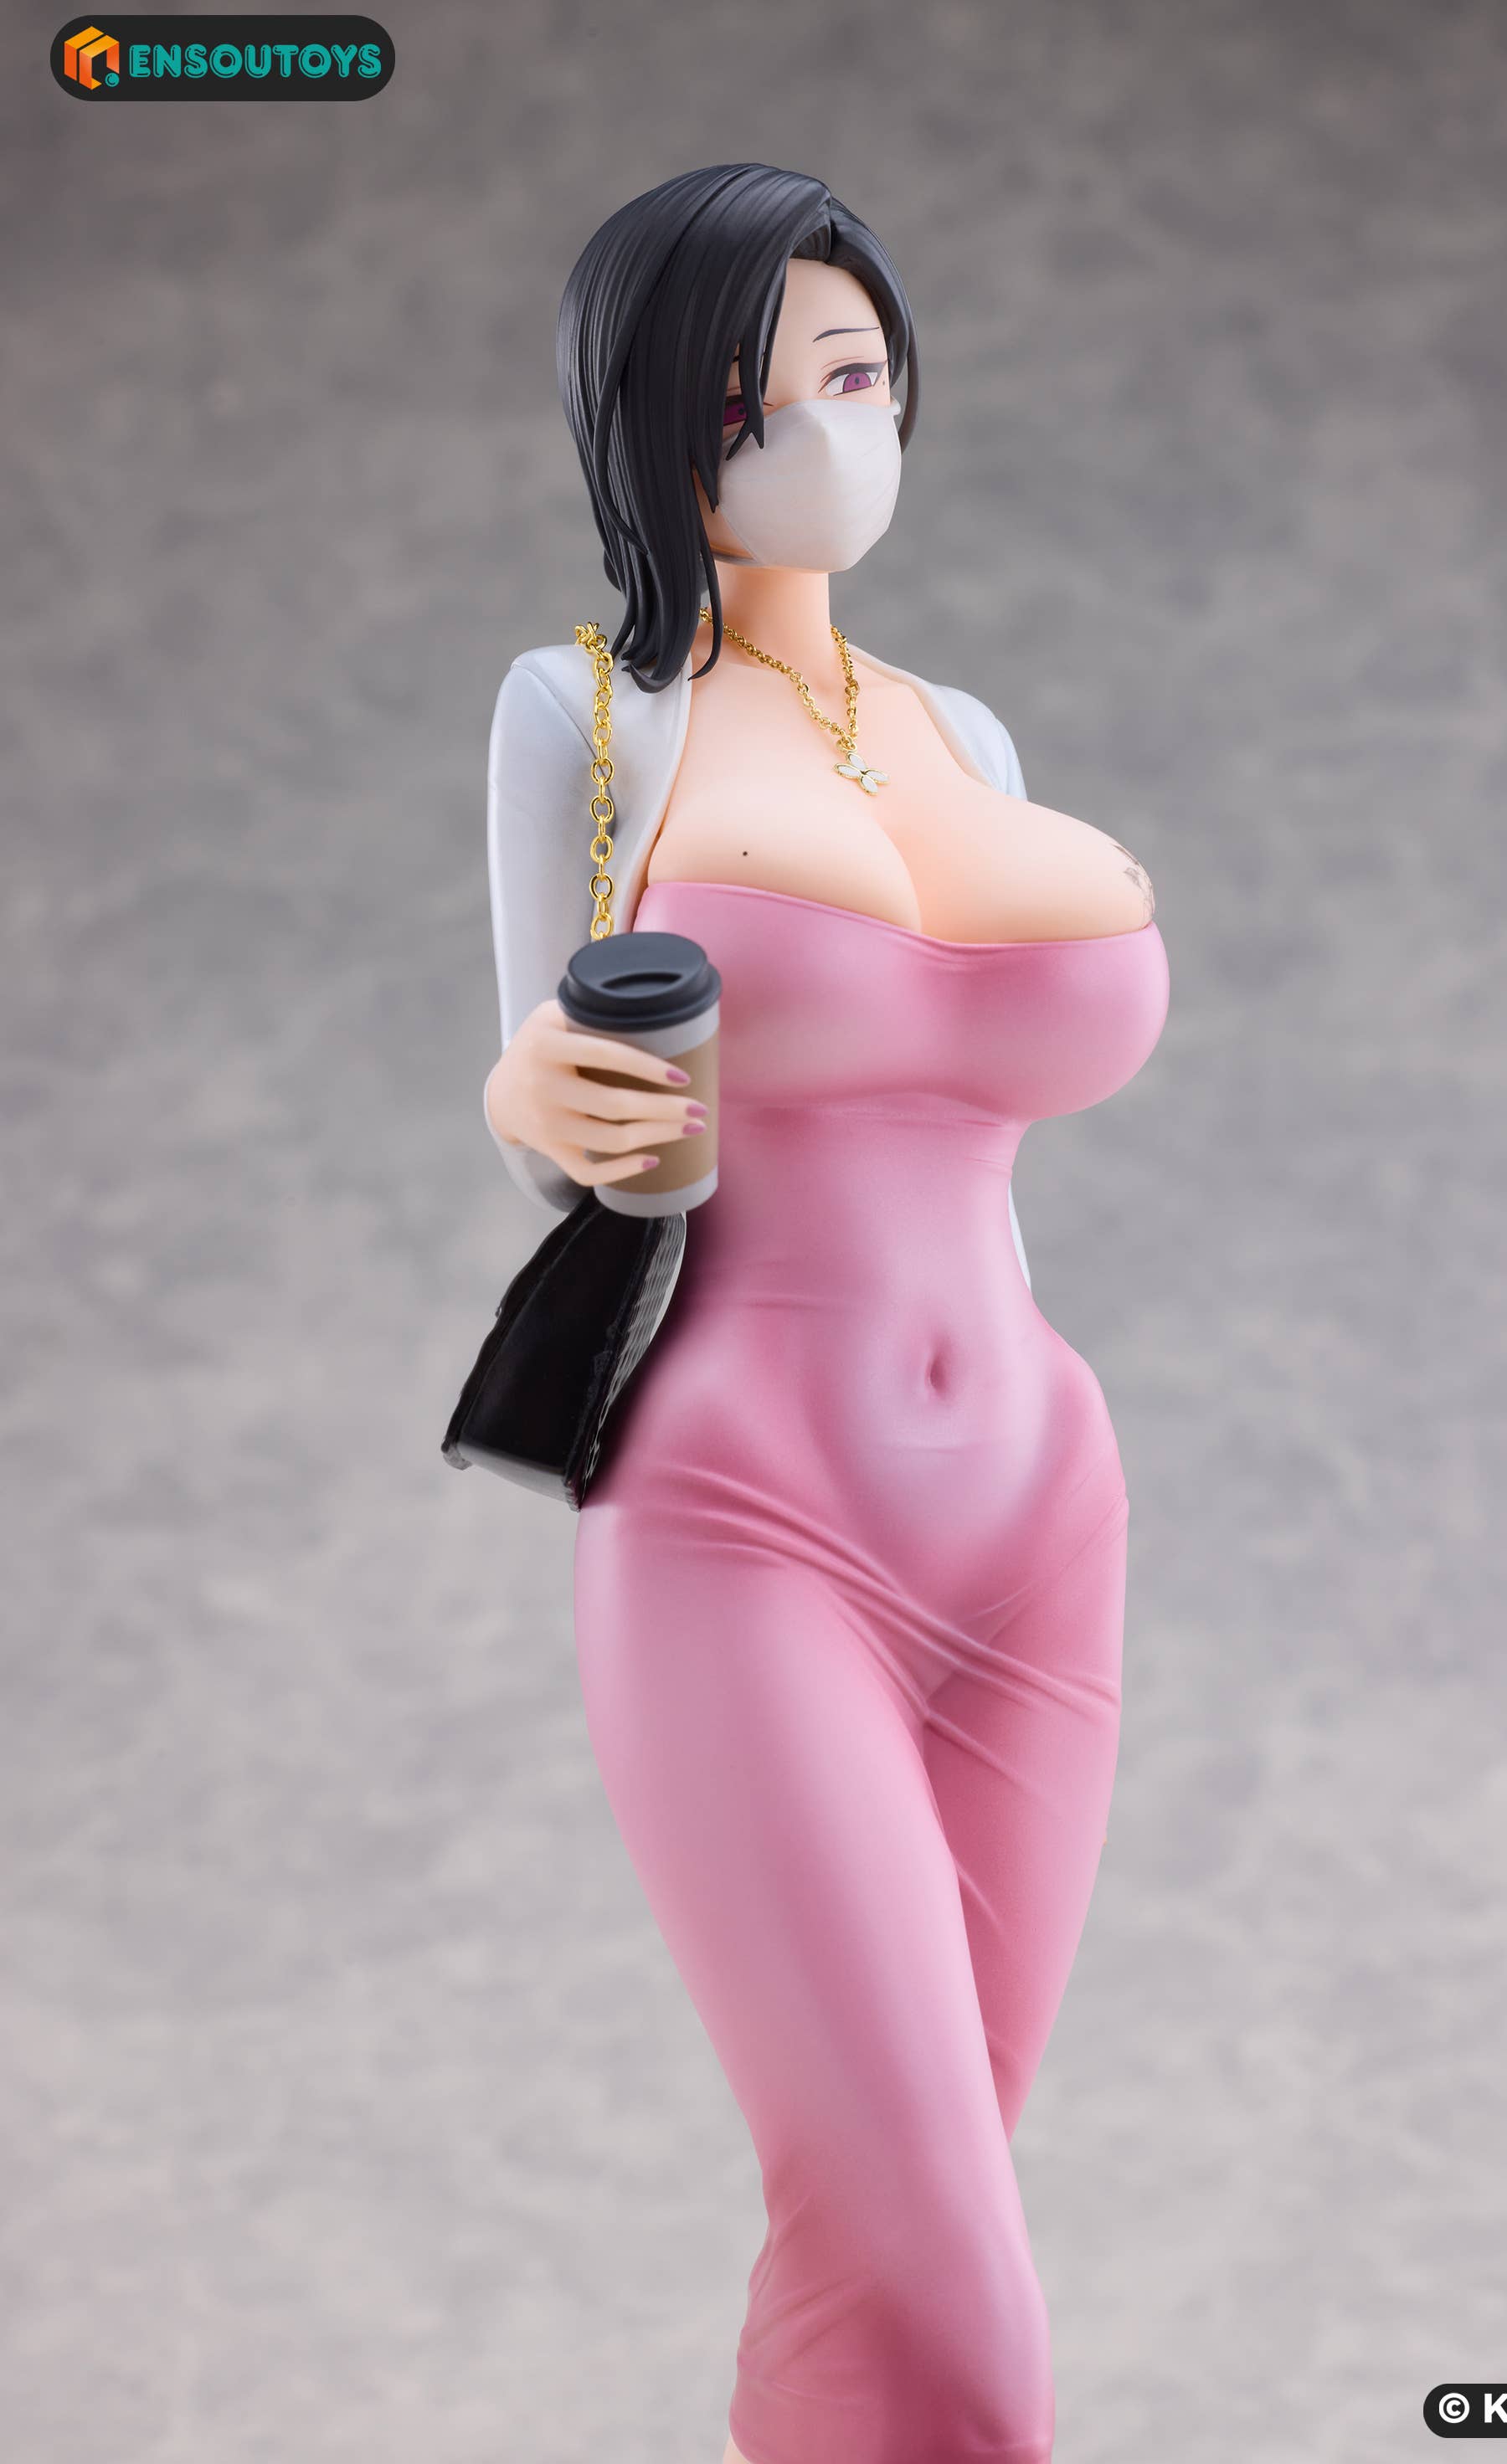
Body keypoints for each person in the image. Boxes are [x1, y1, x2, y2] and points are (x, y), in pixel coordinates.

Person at [482, 162, 1170, 2464]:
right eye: (746, 398)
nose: (819, 433)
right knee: (945, 2281)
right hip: (749, 1516)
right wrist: (535, 1090)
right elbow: (543, 1102)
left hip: (1041, 1516)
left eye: (856, 374)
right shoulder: (588, 715)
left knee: (897, 2231)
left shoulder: (961, 729)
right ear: (646, 427)